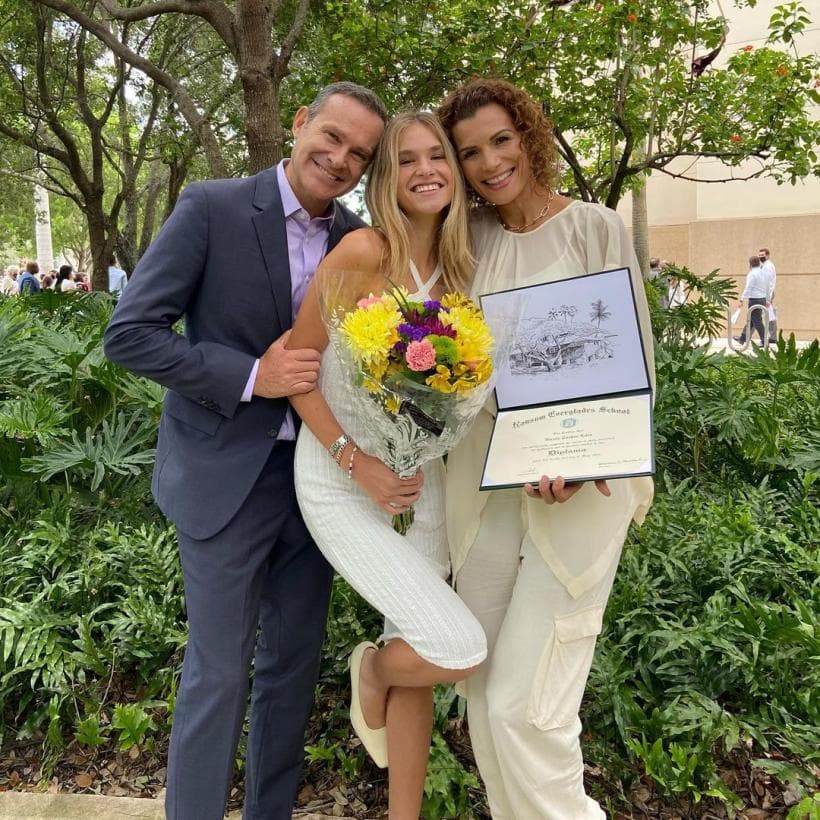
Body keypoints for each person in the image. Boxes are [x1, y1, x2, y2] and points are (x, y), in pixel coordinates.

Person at [103, 81, 387, 820]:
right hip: (224, 476)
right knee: (218, 674)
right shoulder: (213, 206)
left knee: (290, 672)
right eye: (331, 136)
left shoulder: (358, 240)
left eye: (359, 153)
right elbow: (129, 334)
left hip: (318, 484)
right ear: (298, 124)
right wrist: (254, 375)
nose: (339, 158)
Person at [439, 79, 655, 819]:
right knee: (482, 697)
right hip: (489, 486)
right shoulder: (468, 241)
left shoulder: (594, 227)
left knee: (526, 710)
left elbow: (634, 366)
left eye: (500, 140)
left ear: (529, 137)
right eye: (470, 152)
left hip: (583, 484)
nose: (489, 162)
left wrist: (594, 457)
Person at [288, 111, 486, 820]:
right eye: (407, 159)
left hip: (421, 479)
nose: (426, 169)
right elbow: (298, 368)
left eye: (438, 156)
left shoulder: (463, 269)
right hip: (339, 478)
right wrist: (353, 459)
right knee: (456, 646)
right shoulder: (363, 252)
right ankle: (368, 670)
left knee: (420, 656)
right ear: (386, 178)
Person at [735, 254, 771, 346]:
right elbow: (768, 287)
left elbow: (748, 287)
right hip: (762, 299)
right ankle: (742, 338)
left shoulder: (752, 274)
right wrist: (768, 300)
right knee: (751, 320)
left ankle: (764, 341)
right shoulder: (764, 273)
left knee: (756, 320)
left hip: (754, 300)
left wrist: (742, 299)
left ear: (750, 264)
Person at [758, 246, 777, 342]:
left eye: (762, 255)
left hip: (766, 293)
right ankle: (773, 337)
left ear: (768, 256)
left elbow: (769, 283)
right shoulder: (764, 265)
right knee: (769, 314)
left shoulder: (768, 266)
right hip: (764, 293)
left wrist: (768, 298)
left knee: (757, 314)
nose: (760, 257)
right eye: (759, 255)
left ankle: (744, 336)